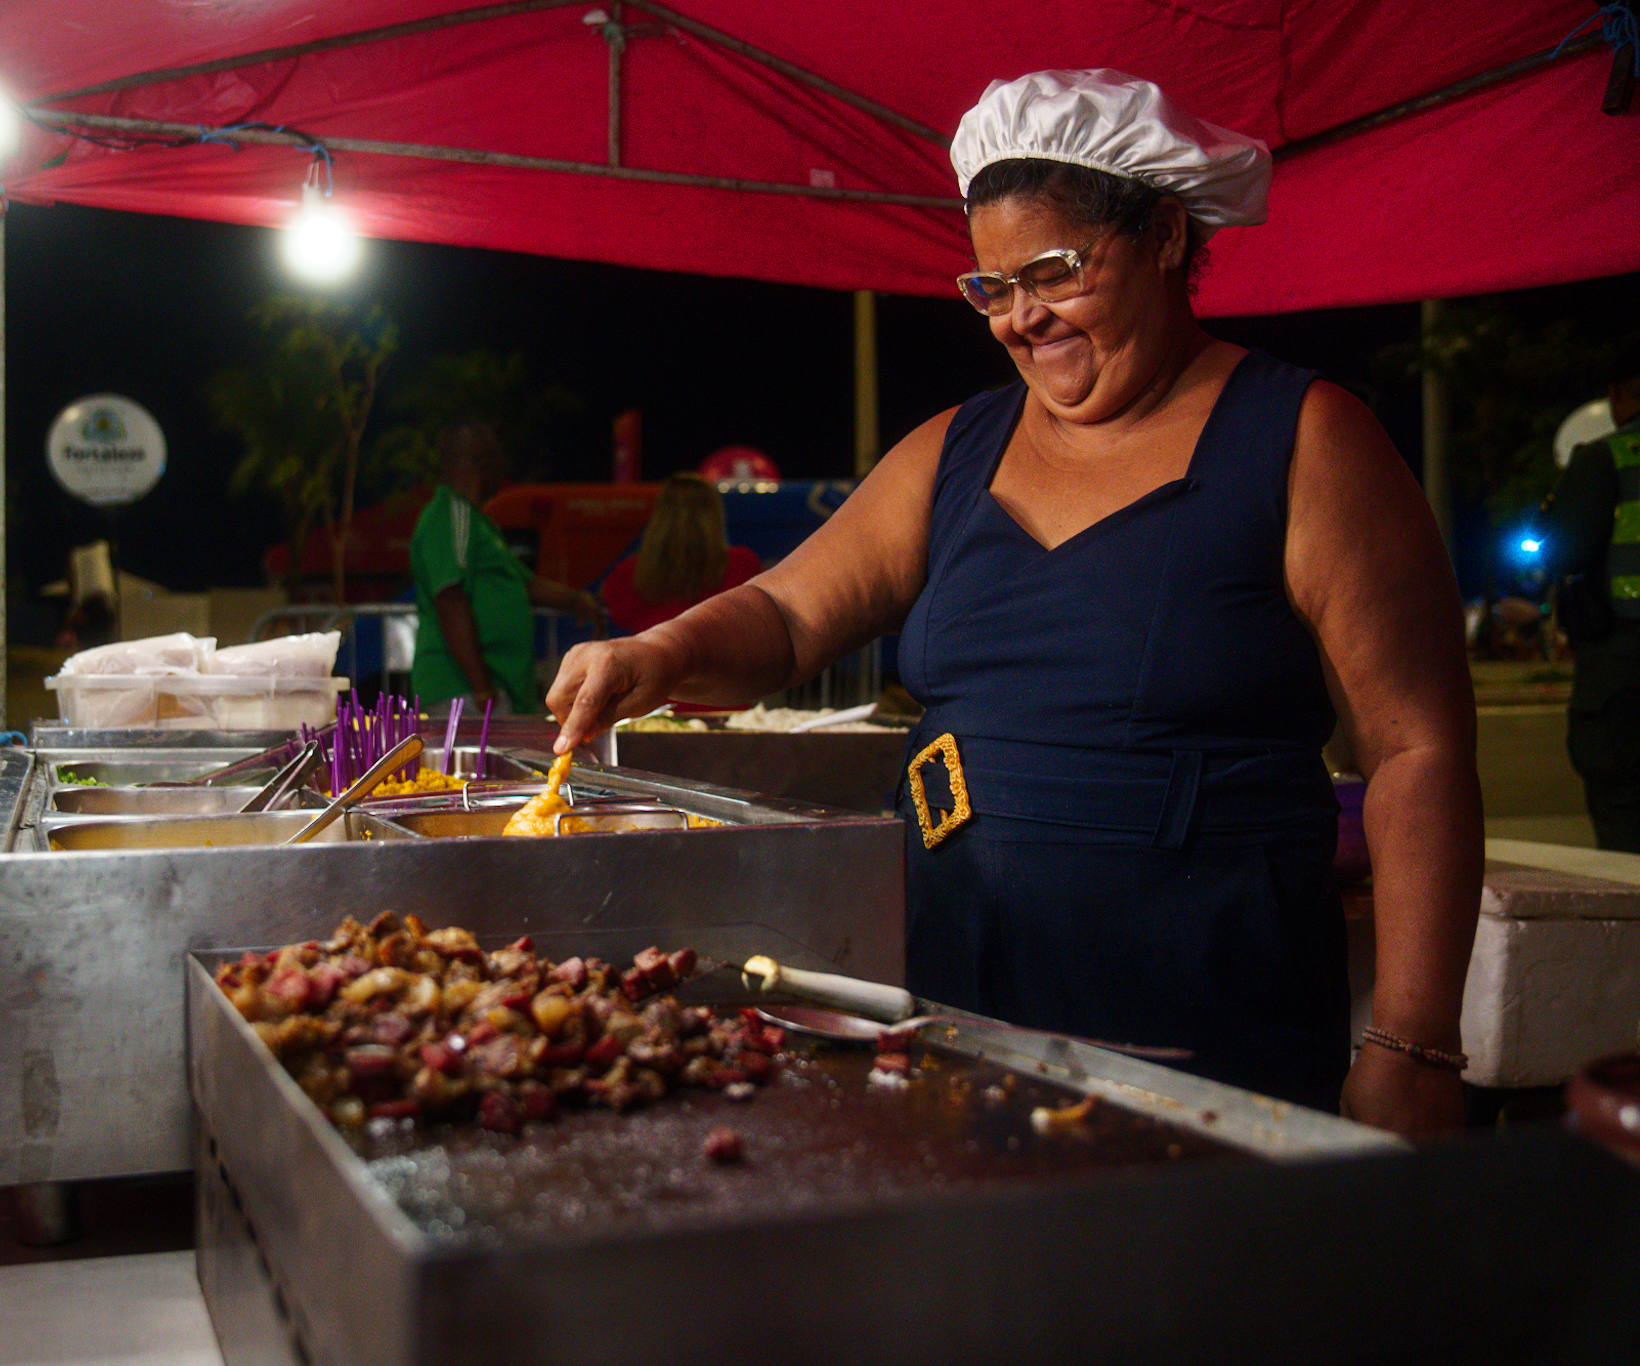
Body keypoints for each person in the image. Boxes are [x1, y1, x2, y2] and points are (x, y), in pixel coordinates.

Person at [545, 70, 1480, 1139]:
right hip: (957, 991)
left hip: (1211, 1014)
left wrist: (1410, 1043)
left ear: (1166, 235)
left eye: (1052, 272)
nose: (1020, 319)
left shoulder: (1303, 439)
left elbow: (1416, 751)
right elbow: (789, 617)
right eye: (989, 287)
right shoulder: (952, 449)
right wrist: (658, 652)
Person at [409, 422, 605, 712]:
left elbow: (525, 584)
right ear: (482, 462)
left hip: (491, 689)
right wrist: (482, 689)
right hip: (465, 691)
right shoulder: (452, 514)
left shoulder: (478, 523)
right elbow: (449, 599)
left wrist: (577, 600)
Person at [1538, 348, 1640, 850]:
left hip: (1624, 672)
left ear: (1619, 395)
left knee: (1626, 828)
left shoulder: (1606, 457)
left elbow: (1563, 550)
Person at [601, 473, 764, 635]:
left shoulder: (628, 573)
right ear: (715, 515)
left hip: (654, 658)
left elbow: (617, 616)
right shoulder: (742, 565)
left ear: (659, 516)